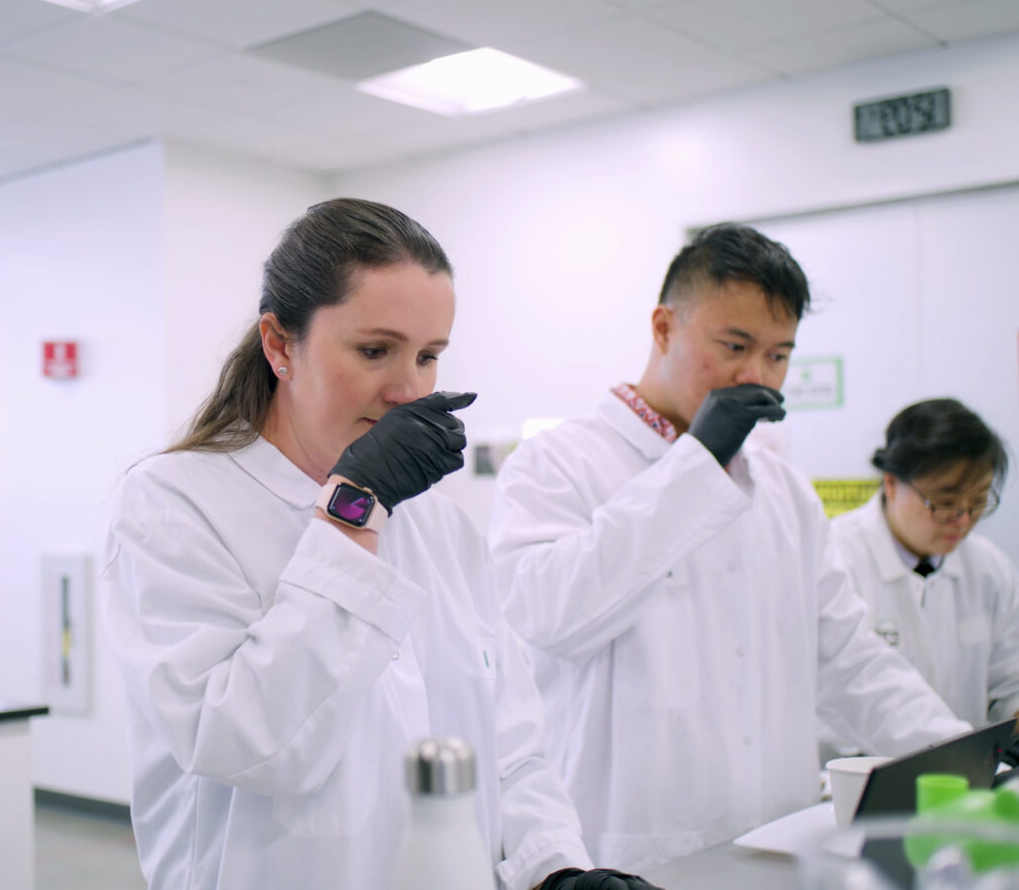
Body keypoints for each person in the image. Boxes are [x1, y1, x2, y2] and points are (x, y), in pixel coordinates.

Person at [102, 198, 658, 890]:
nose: (408, 389)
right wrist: (351, 509)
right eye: (375, 351)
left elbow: (509, 747)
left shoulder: (440, 525)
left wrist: (555, 867)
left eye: (428, 356)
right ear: (280, 345)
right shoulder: (175, 503)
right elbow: (245, 741)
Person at [489, 223, 970, 872]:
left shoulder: (783, 491)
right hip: (630, 850)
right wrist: (697, 462)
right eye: (736, 345)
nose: (757, 376)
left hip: (775, 839)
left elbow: (848, 657)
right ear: (663, 328)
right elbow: (548, 615)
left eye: (778, 355)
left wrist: (962, 756)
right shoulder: (558, 463)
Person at [829, 398, 1018, 728]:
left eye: (978, 502)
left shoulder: (990, 569)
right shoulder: (834, 560)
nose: (962, 520)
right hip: (856, 774)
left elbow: (1010, 685)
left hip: (963, 775)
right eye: (944, 503)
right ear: (891, 483)